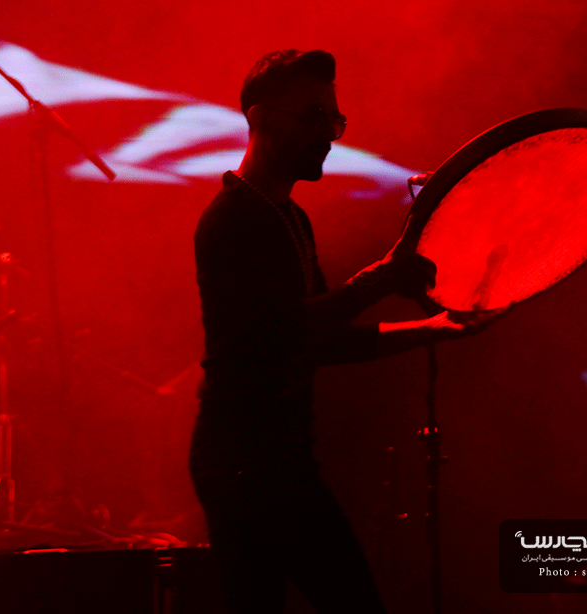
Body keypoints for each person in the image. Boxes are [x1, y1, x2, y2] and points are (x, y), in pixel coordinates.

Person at [189, 49, 510, 613]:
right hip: (241, 465)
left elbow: (320, 343)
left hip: (281, 463)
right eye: (314, 117)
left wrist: (435, 327)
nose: (328, 135)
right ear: (261, 119)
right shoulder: (232, 221)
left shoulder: (290, 218)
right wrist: (381, 278)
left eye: (333, 120)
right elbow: (280, 334)